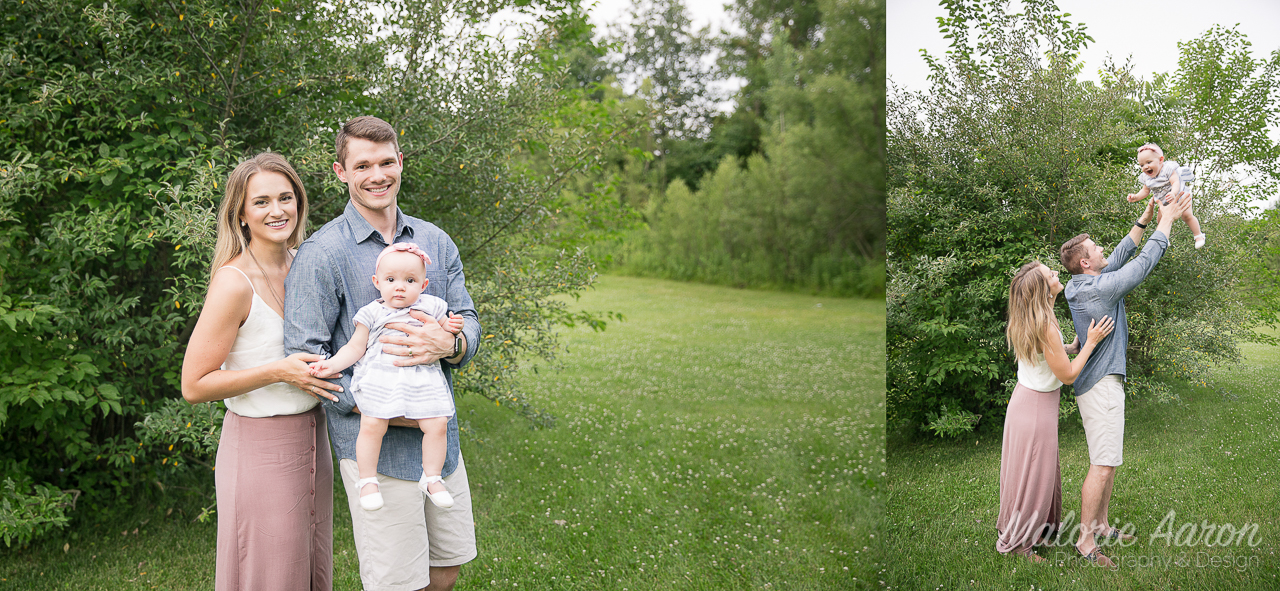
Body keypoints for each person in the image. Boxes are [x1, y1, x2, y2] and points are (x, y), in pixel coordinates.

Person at [284, 115, 480, 591]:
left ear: (400, 163)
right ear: (341, 172)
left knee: (446, 567)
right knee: (397, 583)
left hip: (439, 439)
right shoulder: (322, 253)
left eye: (387, 162)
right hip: (375, 447)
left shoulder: (435, 241)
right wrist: (387, 413)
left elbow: (468, 321)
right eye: (363, 164)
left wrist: (451, 343)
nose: (378, 175)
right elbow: (307, 359)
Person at [180, 153, 344, 590]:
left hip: (315, 438)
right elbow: (194, 385)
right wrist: (277, 371)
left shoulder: (306, 265)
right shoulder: (234, 282)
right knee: (269, 575)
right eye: (262, 201)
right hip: (260, 448)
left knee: (310, 569)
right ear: (241, 213)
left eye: (286, 197)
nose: (277, 211)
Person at [1060, 192, 1191, 566]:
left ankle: (1100, 524)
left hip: (1102, 384)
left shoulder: (1080, 283)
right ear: (1085, 262)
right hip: (1100, 386)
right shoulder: (1100, 289)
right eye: (1095, 247)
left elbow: (1117, 257)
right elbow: (1142, 264)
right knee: (1101, 464)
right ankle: (1085, 542)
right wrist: (1168, 219)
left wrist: (1145, 219)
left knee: (1109, 461)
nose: (1102, 248)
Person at [307, 242, 465, 512]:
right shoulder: (373, 312)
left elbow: (442, 335)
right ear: (377, 282)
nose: (400, 286)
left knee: (437, 424)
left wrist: (450, 327)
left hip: (421, 379)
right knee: (372, 424)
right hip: (382, 380)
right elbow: (355, 347)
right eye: (391, 280)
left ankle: (432, 477)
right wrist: (331, 365)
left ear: (424, 285)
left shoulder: (433, 306)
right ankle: (368, 481)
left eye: (410, 280)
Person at [996, 261, 1114, 563]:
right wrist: (1091, 343)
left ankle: (1036, 530)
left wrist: (1070, 347)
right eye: (1051, 275)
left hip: (1025, 403)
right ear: (1043, 289)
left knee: (1030, 473)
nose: (1057, 275)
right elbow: (1069, 375)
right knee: (1033, 476)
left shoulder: (1034, 317)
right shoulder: (1044, 325)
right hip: (1035, 410)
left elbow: (1050, 355)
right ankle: (1020, 546)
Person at [1125, 143, 1205, 248]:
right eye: (1142, 165)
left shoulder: (1167, 169)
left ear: (1161, 160)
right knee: (1161, 220)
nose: (1146, 167)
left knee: (1186, 216)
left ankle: (1198, 235)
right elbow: (1145, 191)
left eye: (1149, 162)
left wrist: (1173, 193)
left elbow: (1176, 183)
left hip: (1180, 195)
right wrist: (1136, 197)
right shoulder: (1146, 177)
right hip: (1164, 201)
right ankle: (1164, 239)